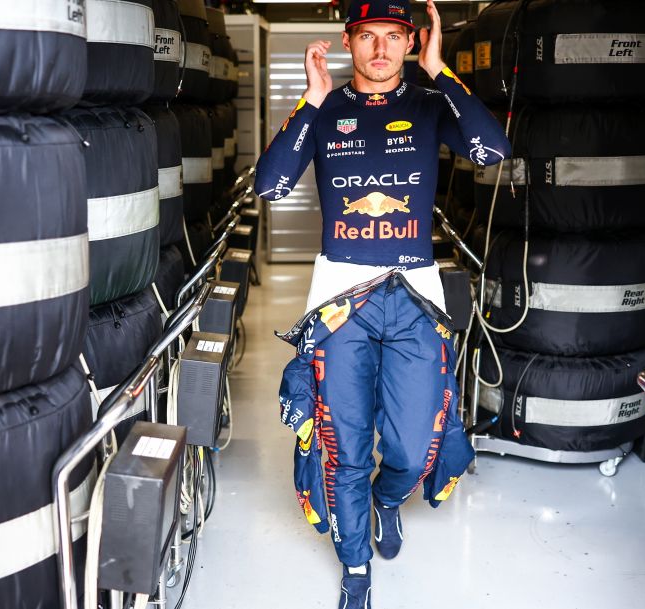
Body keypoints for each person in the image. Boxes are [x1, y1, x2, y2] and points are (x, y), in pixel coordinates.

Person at [255, 1, 509, 607]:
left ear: (409, 42)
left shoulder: (427, 104)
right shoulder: (326, 108)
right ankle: (356, 570)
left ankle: (388, 500)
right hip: (340, 300)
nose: (379, 49)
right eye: (367, 36)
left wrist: (441, 69)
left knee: (411, 443)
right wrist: (311, 98)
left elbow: (492, 150)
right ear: (349, 42)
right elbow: (270, 184)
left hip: (415, 295)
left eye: (393, 37)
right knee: (343, 442)